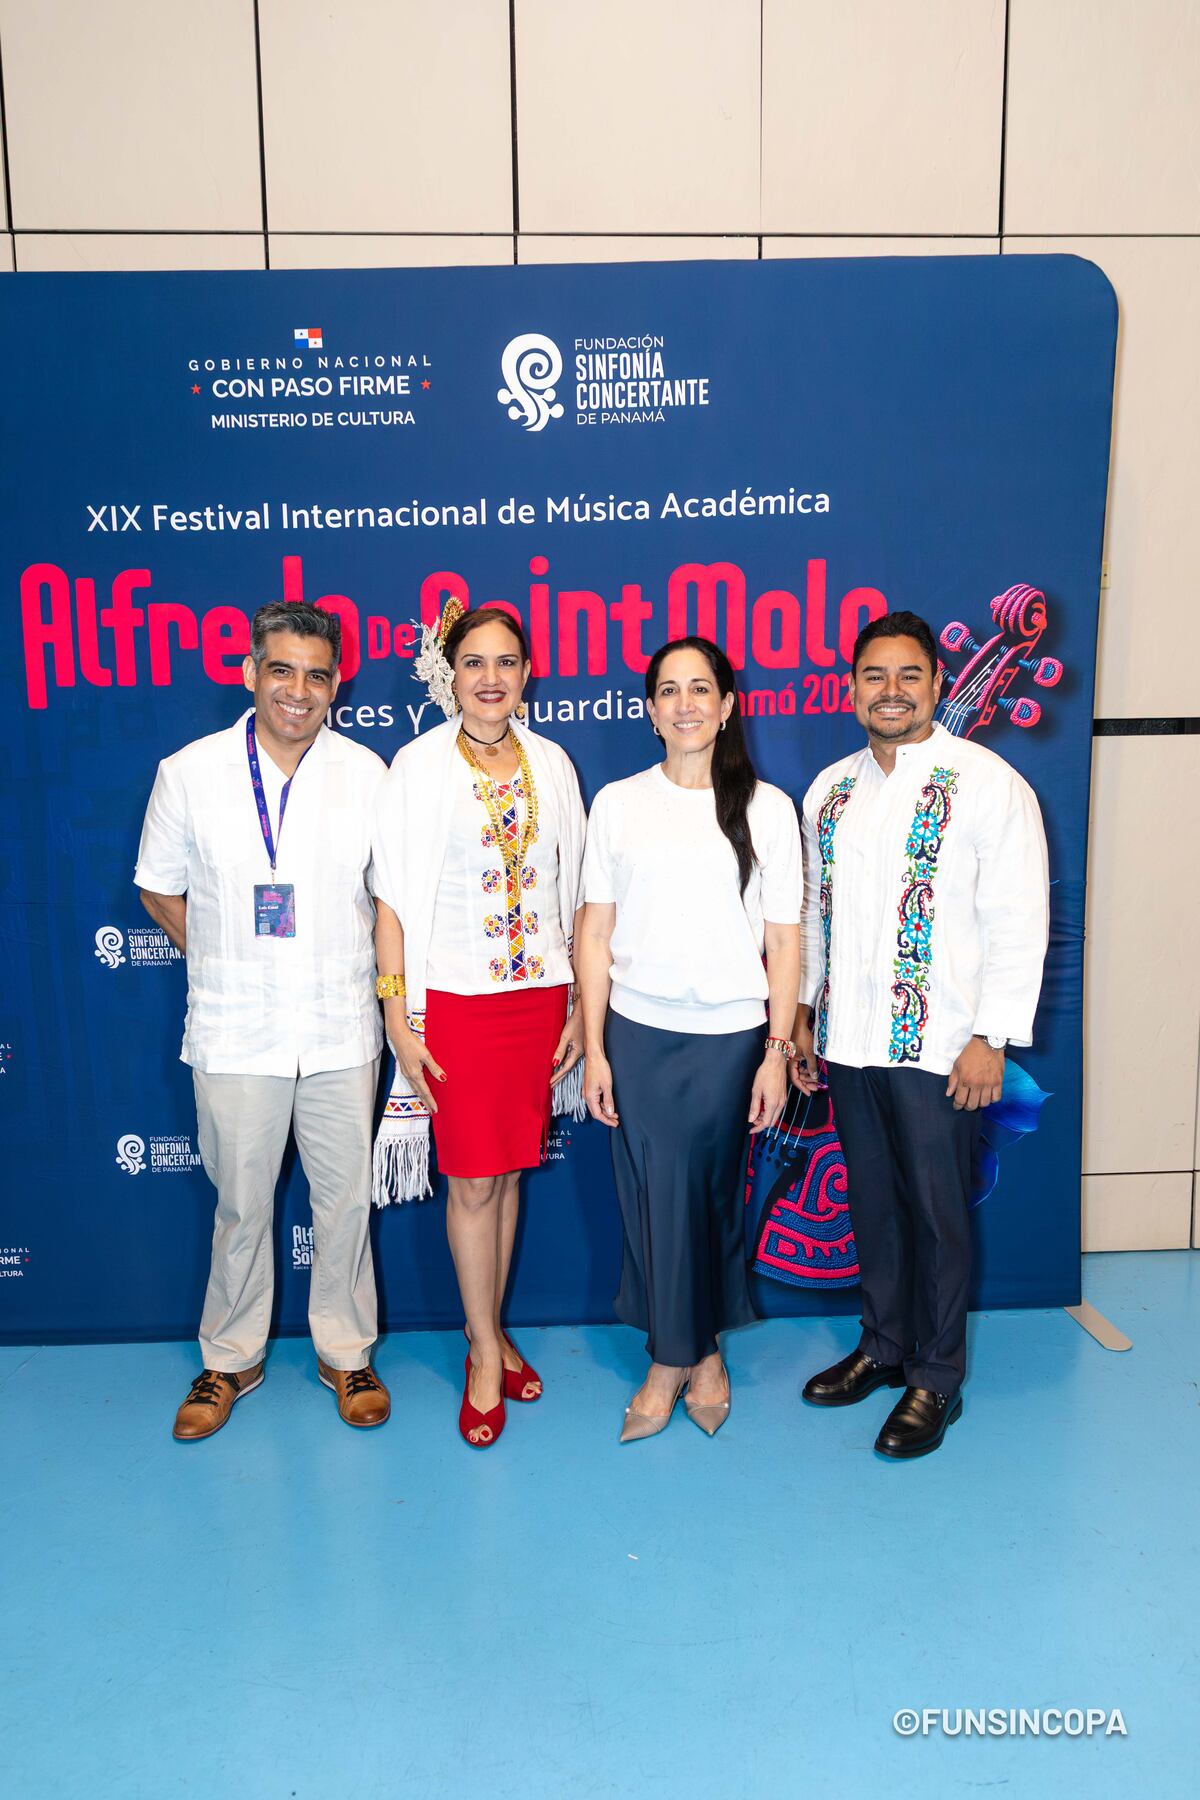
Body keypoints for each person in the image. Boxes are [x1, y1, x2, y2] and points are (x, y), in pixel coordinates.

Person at [793, 609, 1049, 1458]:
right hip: (851, 1042)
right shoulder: (827, 791)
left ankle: (937, 1379)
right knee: (875, 1206)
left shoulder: (986, 782)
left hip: (942, 1046)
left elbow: (1018, 918)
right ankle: (884, 1346)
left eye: (908, 675)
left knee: (939, 1215)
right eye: (875, 676)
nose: (891, 691)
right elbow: (815, 919)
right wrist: (802, 1014)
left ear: (936, 684)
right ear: (853, 686)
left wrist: (994, 1036)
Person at [135, 600, 391, 1440]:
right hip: (236, 1026)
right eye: (281, 669)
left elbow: (387, 899)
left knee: (345, 1201)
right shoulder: (190, 771)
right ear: (250, 673)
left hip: (338, 1026)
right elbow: (157, 886)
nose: (298, 690)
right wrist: (217, 955)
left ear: (336, 684)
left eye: (317, 675)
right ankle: (230, 1357)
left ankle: (347, 1354)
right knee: (242, 1203)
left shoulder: (367, 775)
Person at [371, 602, 586, 1450]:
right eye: (473, 663)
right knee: (470, 1181)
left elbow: (572, 891)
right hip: (453, 1002)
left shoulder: (554, 762)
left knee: (508, 1176)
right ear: (447, 674)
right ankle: (485, 1353)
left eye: (505, 662)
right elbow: (389, 903)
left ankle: (486, 1330)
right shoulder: (417, 768)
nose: (490, 678)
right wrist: (397, 1012)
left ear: (527, 674)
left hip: (539, 999)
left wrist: (574, 1000)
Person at [578, 636, 802, 1442]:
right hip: (638, 1033)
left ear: (729, 704)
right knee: (651, 1201)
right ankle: (695, 1358)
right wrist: (595, 1046)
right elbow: (595, 933)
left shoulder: (768, 810)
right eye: (668, 690)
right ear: (649, 711)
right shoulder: (618, 803)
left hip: (729, 1040)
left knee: (704, 1199)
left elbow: (785, 941)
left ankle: (674, 1361)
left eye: (700, 688)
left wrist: (778, 1050)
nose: (685, 704)